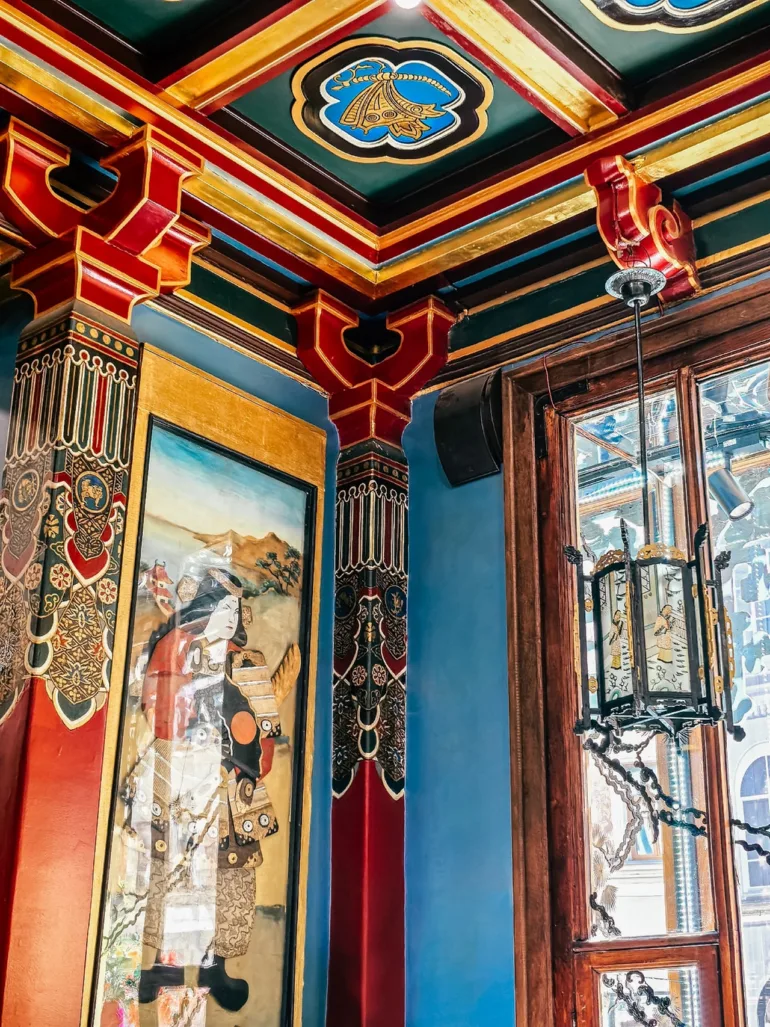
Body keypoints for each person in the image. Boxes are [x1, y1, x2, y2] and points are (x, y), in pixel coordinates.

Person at [137, 567, 298, 1013]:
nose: (230, 617)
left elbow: (266, 730)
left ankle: (215, 967)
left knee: (229, 876)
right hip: (183, 780)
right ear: (203, 609)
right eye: (222, 607)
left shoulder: (250, 664)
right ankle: (165, 966)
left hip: (233, 788)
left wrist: (249, 757)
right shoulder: (177, 651)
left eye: (234, 610)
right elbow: (158, 710)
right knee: (175, 868)